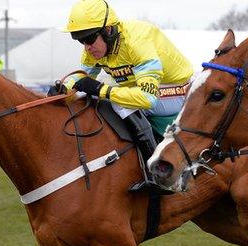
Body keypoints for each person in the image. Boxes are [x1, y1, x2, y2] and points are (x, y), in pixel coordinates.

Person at [57, 0, 193, 192]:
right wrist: (62, 89)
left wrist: (101, 89)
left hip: (176, 91)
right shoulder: (96, 47)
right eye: (80, 40)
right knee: (100, 100)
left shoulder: (137, 42)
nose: (86, 47)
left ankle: (159, 173)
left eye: (88, 39)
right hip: (143, 89)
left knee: (119, 103)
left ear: (109, 30)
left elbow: (147, 98)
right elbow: (81, 77)